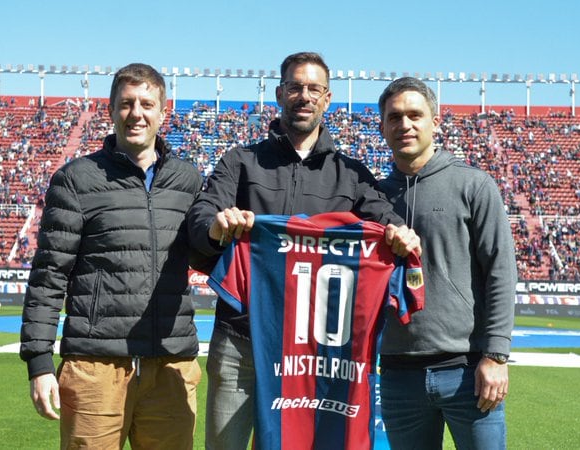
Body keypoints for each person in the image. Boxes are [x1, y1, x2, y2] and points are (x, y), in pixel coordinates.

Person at [186, 51, 421, 450]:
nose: (304, 96)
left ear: (327, 99)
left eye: (314, 88)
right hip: (240, 341)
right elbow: (200, 218)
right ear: (280, 93)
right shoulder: (240, 162)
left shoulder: (351, 173)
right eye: (295, 87)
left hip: (311, 353)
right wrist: (216, 225)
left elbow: (384, 217)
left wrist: (400, 232)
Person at [20, 63, 203, 450]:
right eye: (126, 103)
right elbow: (49, 275)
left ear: (163, 111)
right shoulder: (76, 180)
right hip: (96, 365)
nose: (136, 113)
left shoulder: (188, 181)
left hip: (170, 364)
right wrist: (39, 361)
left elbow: (208, 255)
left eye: (147, 104)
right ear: (110, 110)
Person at [376, 77, 517, 449]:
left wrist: (496, 355)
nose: (404, 125)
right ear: (382, 127)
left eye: (414, 115)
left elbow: (500, 272)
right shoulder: (372, 197)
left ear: (435, 122)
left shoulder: (474, 185)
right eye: (394, 117)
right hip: (397, 372)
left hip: (468, 370)